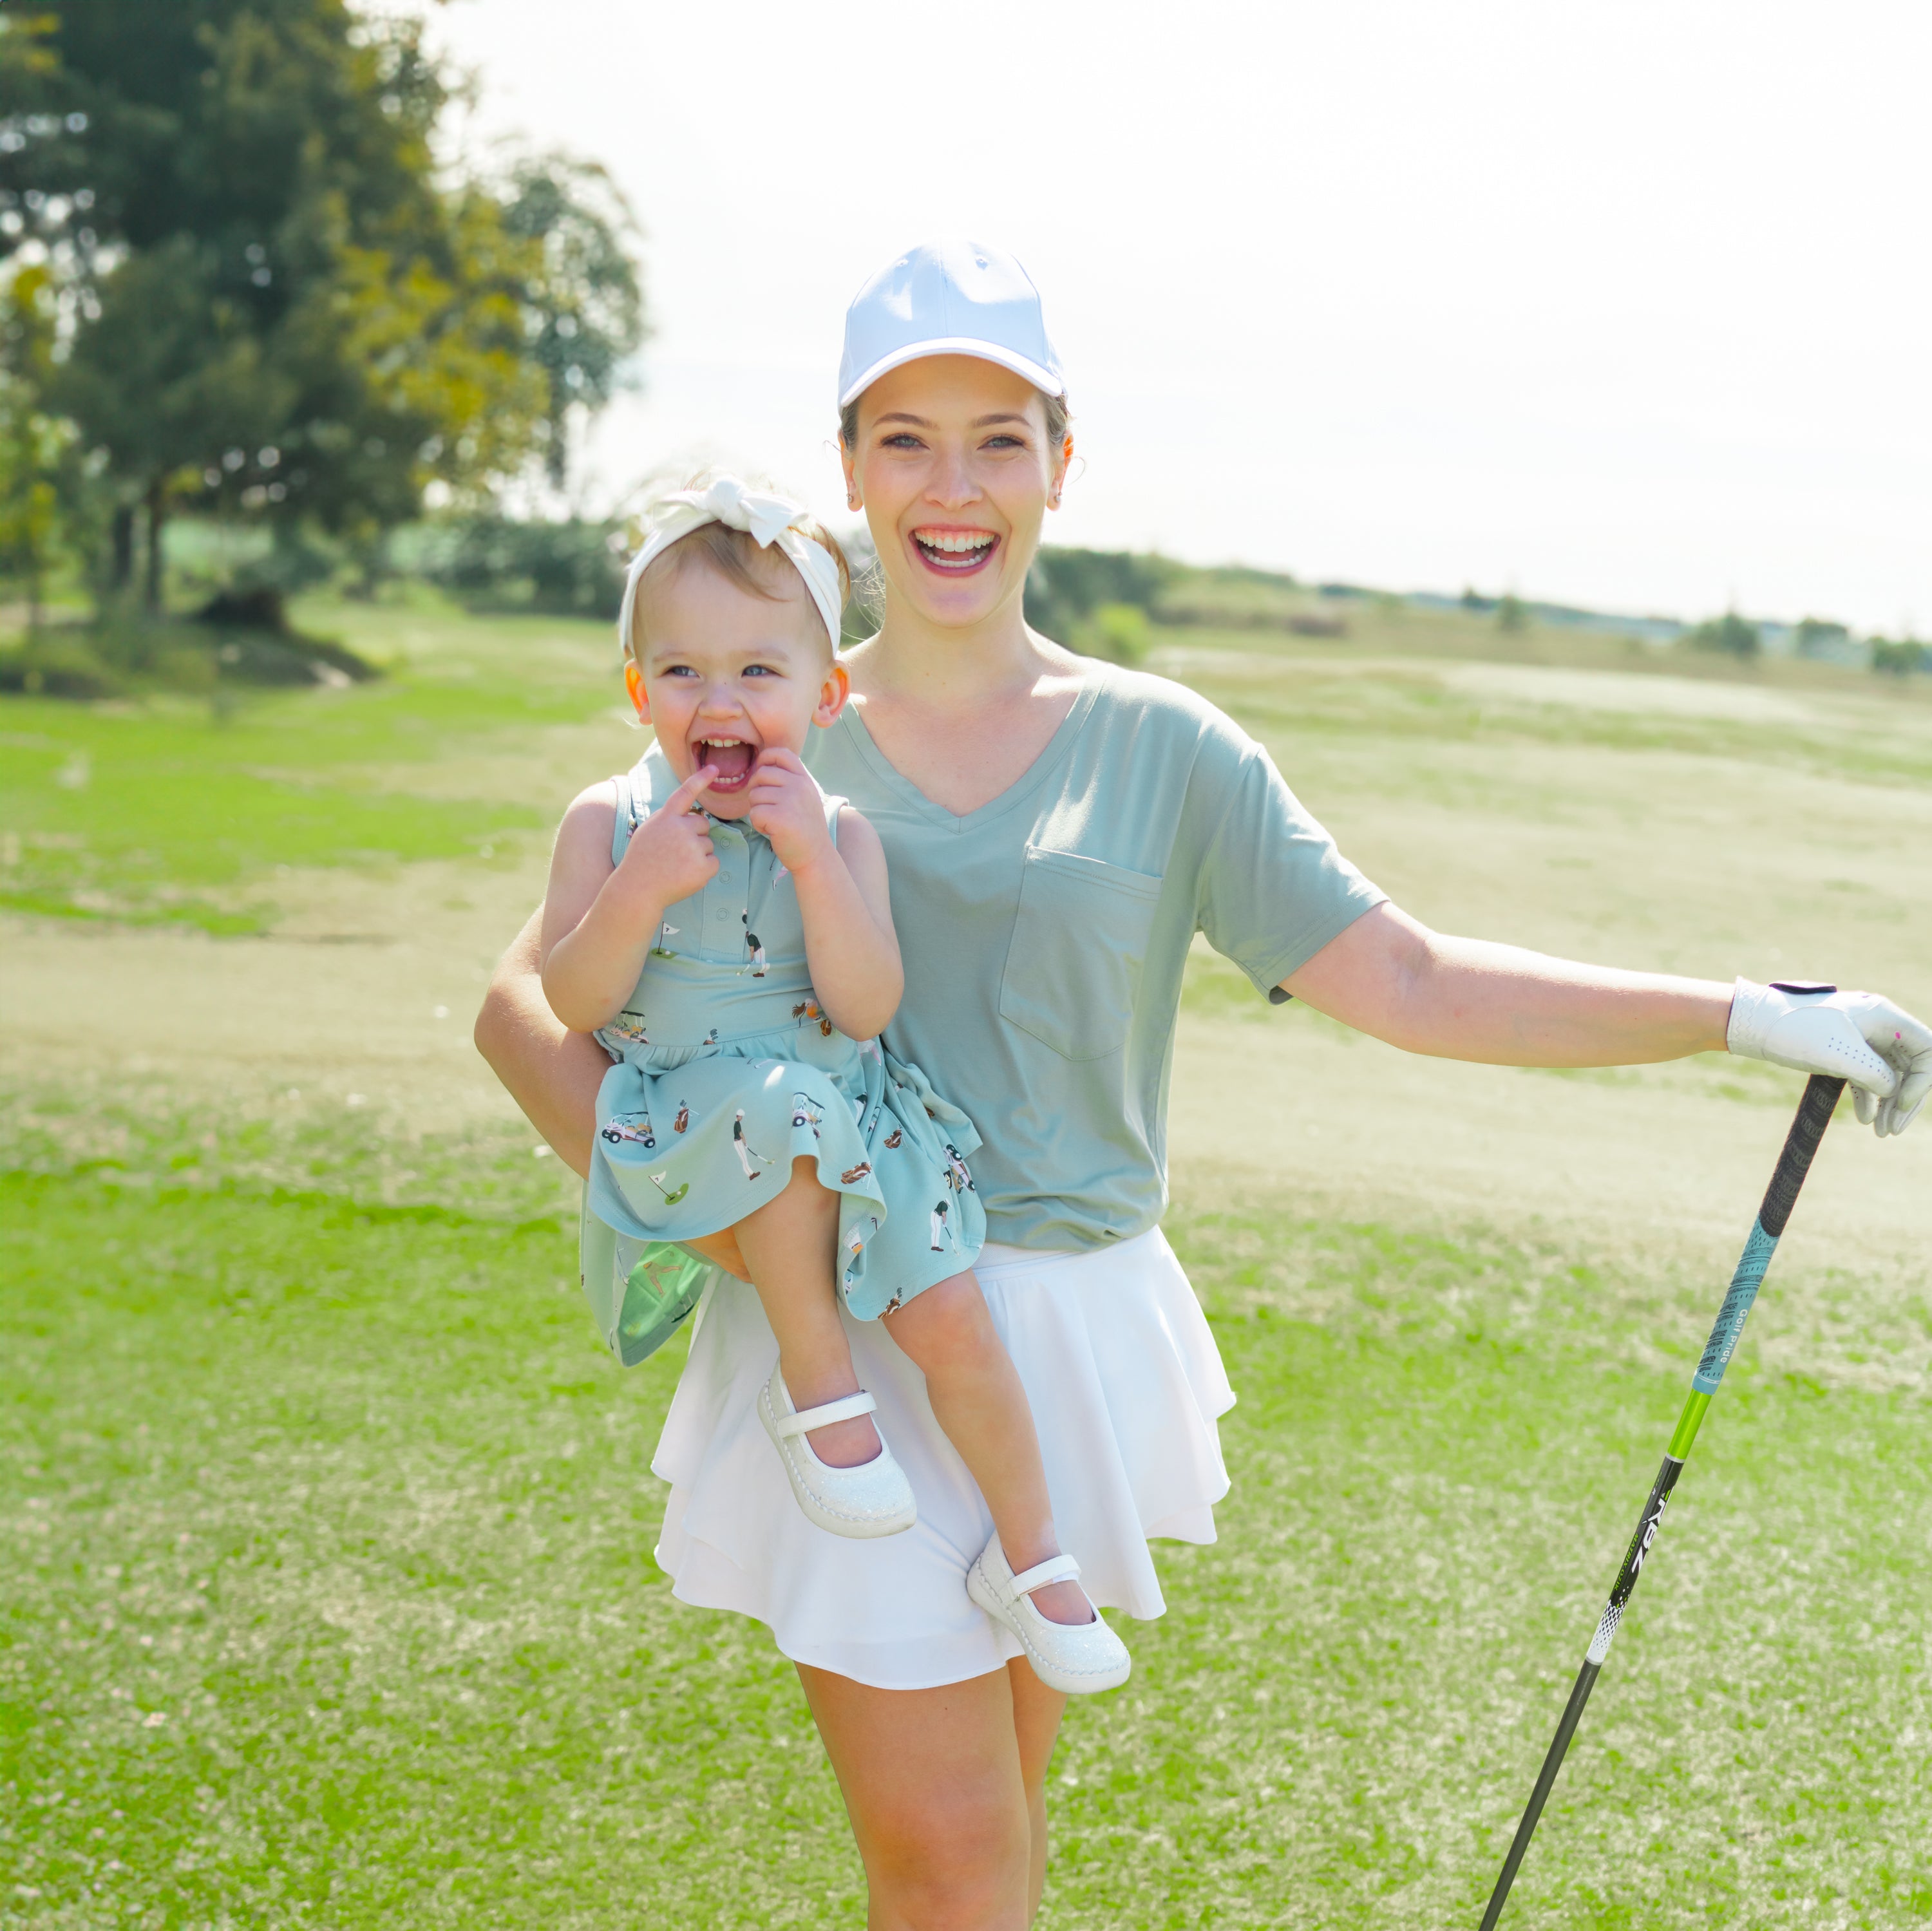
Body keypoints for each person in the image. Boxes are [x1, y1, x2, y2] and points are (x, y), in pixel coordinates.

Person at [476, 240, 1931, 1929]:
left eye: (1000, 437)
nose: (954, 487)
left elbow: (1406, 976)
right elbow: (525, 1007)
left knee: (1001, 1846)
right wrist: (723, 1223)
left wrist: (1744, 1015)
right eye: (906, 439)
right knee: (948, 1864)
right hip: (850, 1341)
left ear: (1062, 465)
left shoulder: (1166, 746)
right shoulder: (753, 718)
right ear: (852, 470)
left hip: (1069, 1340)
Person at [540, 472, 1128, 1691]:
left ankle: (1032, 1557)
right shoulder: (609, 822)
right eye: (687, 673)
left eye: (761, 673)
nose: (724, 702)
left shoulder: (843, 832)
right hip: (694, 1119)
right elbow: (572, 999)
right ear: (643, 692)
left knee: (954, 1317)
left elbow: (865, 1007)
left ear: (825, 693)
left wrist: (810, 857)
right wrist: (639, 887)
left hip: (846, 1124)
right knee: (783, 1112)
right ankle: (821, 1403)